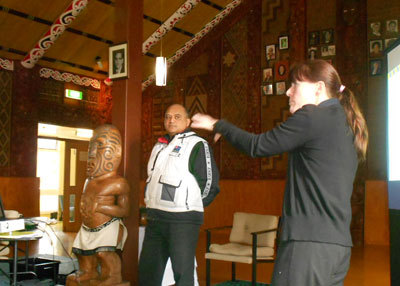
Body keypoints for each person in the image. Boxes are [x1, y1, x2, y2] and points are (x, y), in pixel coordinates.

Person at [191, 60, 368, 286]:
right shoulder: (344, 122)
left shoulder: (313, 117)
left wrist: (217, 124)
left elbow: (258, 146)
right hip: (337, 248)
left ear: (319, 88)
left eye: (295, 84)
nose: (288, 91)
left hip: (308, 246)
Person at [139, 104, 220, 286]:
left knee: (183, 275)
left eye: (177, 116)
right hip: (155, 218)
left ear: (188, 121)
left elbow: (210, 184)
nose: (171, 120)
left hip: (182, 220)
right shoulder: (159, 145)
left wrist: (191, 205)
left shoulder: (197, 144)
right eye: (168, 116)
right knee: (147, 273)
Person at [67, 124, 130, 286]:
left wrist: (102, 207)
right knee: (81, 252)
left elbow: (125, 210)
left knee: (103, 253)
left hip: (107, 227)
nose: (92, 153)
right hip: (87, 227)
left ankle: (113, 275)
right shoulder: (89, 181)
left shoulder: (118, 183)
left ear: (114, 152)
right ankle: (89, 271)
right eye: (91, 147)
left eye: (100, 146)